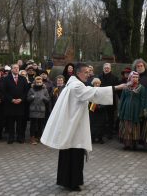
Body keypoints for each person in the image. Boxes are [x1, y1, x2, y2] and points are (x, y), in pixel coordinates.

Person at [41, 63, 126, 192]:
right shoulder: (76, 86)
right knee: (75, 154)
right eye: (86, 72)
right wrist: (118, 87)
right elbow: (93, 92)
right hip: (74, 128)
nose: (89, 74)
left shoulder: (73, 84)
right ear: (78, 73)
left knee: (68, 153)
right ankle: (73, 183)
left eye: (89, 72)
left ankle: (65, 180)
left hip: (72, 125)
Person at [118, 71, 145, 150]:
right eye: (133, 77)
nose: (135, 79)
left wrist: (142, 110)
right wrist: (120, 109)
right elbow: (122, 99)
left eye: (136, 77)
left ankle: (134, 144)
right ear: (130, 78)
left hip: (136, 109)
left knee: (135, 126)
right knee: (126, 125)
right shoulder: (126, 87)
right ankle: (126, 144)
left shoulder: (141, 88)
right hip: (126, 108)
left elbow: (143, 100)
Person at [3, 64, 28, 144]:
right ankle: (11, 137)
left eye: (17, 68)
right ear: (11, 70)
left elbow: (26, 91)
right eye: (14, 68)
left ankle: (19, 137)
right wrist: (11, 99)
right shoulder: (6, 79)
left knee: (20, 122)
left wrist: (21, 99)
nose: (16, 69)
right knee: (10, 122)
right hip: (10, 104)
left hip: (20, 104)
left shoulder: (23, 79)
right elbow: (4, 91)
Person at [99, 63, 119, 139]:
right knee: (102, 117)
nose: (106, 69)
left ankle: (110, 133)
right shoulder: (99, 77)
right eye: (105, 68)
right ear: (103, 68)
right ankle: (102, 132)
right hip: (102, 100)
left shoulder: (115, 78)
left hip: (111, 100)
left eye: (108, 68)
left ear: (110, 69)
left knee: (111, 118)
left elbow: (116, 90)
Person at [27, 76, 50, 145]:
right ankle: (32, 138)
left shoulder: (45, 90)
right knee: (33, 125)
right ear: (35, 82)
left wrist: (43, 97)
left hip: (41, 110)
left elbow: (48, 99)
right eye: (37, 82)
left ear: (42, 82)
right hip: (33, 109)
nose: (39, 83)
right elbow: (27, 99)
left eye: (40, 82)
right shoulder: (31, 89)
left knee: (40, 125)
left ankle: (39, 137)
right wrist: (32, 97)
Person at [89, 78, 107, 144]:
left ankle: (100, 138)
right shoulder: (90, 91)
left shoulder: (103, 91)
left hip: (101, 111)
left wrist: (100, 107)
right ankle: (92, 138)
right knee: (92, 125)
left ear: (100, 84)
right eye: (95, 83)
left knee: (101, 125)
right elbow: (88, 100)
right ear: (93, 84)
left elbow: (105, 100)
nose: (97, 84)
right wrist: (92, 107)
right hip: (92, 111)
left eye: (98, 83)